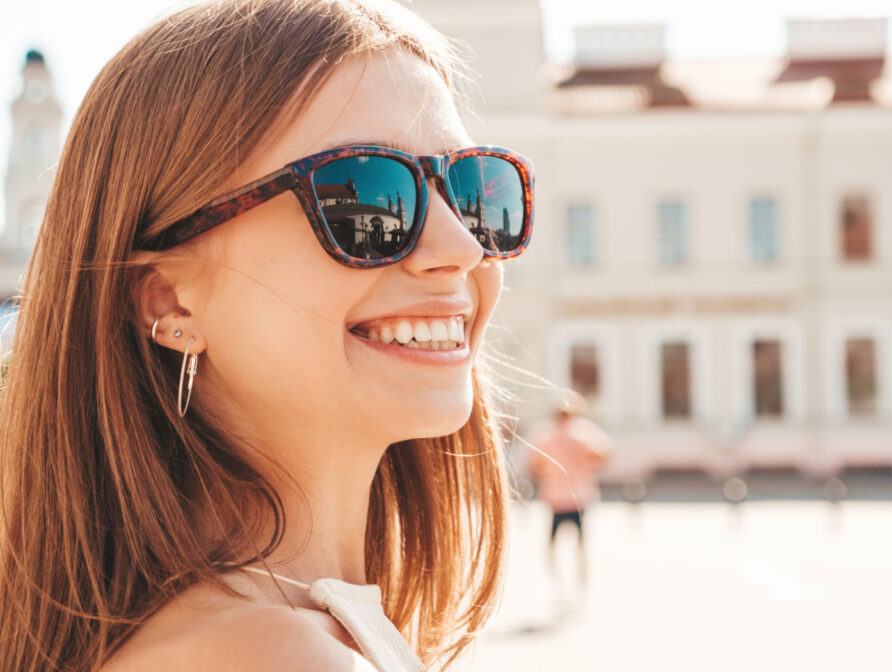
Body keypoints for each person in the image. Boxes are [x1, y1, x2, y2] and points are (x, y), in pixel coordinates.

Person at [0, 1, 535, 670]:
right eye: (364, 196)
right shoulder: (273, 654)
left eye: (473, 191)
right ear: (169, 299)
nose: (461, 247)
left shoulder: (278, 627)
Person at [526, 397, 610, 607]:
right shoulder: (584, 431)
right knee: (581, 546)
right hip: (580, 496)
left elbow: (534, 465)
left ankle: (558, 587)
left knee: (553, 546)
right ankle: (581, 588)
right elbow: (603, 456)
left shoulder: (546, 433)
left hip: (555, 497)